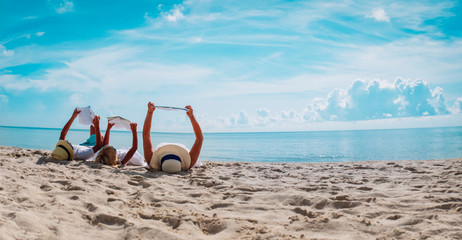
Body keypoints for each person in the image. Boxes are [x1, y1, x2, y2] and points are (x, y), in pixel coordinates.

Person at [143, 102, 204, 173]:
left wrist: (150, 112)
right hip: (180, 151)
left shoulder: (151, 160)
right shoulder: (189, 163)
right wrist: (191, 116)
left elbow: (146, 135)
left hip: (170, 151)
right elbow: (200, 138)